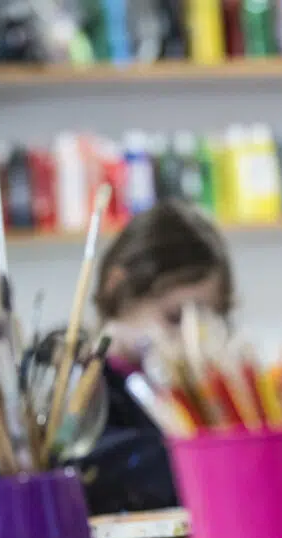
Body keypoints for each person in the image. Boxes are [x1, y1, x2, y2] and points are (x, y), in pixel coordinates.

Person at [74, 198, 235, 517]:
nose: (188, 339)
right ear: (117, 288)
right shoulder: (83, 383)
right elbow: (105, 473)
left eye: (204, 322)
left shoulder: (203, 388)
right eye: (174, 317)